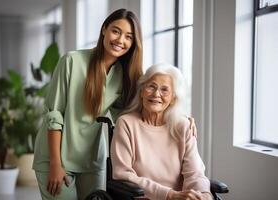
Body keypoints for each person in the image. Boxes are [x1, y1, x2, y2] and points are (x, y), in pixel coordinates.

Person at [32, 8, 143, 200]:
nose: (120, 40)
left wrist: (179, 119)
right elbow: (54, 114)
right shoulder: (71, 61)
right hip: (56, 157)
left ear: (133, 43)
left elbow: (133, 113)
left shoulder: (123, 75)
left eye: (129, 37)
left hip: (93, 159)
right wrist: (55, 164)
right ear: (104, 30)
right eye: (116, 31)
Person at [110, 63, 213, 200]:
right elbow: (123, 174)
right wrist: (169, 195)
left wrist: (203, 194)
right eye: (151, 86)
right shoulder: (126, 123)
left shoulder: (183, 126)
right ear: (141, 91)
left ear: (172, 99)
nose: (156, 94)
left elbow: (195, 173)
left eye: (165, 90)